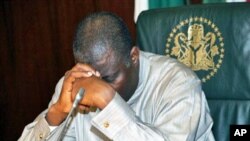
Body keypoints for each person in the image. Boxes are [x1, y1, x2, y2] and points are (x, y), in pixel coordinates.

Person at [19, 11, 215, 141]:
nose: (93, 90)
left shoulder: (179, 83)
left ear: (134, 57)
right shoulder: (75, 84)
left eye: (109, 79)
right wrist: (57, 114)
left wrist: (109, 100)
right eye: (91, 79)